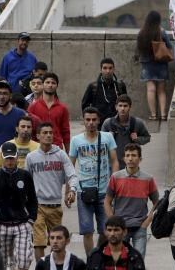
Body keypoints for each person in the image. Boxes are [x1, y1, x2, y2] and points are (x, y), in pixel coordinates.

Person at [70, 107, 119, 256]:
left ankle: (99, 255)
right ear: (83, 121)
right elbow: (70, 166)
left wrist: (114, 182)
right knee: (87, 231)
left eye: (93, 120)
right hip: (83, 190)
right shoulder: (76, 140)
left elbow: (114, 161)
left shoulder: (107, 137)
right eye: (88, 120)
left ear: (98, 121)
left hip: (104, 191)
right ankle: (92, 260)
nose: (91, 123)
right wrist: (70, 190)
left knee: (106, 230)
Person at [0, 142, 38, 270]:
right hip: (1, 224)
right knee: (1, 262)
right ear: (2, 157)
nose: (10, 161)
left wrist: (31, 219)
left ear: (17, 157)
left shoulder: (25, 175)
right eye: (7, 158)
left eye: (12, 157)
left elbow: (33, 199)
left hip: (22, 223)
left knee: (24, 261)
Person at [26, 123, 78, 260]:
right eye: (44, 133)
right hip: (38, 206)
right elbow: (27, 181)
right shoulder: (31, 157)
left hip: (55, 205)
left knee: (57, 243)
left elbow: (72, 174)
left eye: (50, 132)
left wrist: (72, 190)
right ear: (37, 136)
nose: (48, 135)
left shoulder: (61, 155)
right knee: (39, 243)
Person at [104, 143, 158, 259]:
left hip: (140, 227)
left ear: (140, 159)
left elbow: (157, 203)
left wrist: (147, 222)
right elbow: (107, 201)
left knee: (138, 261)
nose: (130, 158)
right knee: (120, 260)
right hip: (121, 228)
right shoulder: (115, 177)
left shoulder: (148, 179)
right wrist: (113, 221)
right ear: (123, 158)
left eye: (134, 155)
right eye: (127, 155)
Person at [135, 10, 171, 120]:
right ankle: (164, 115)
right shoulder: (161, 32)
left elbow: (138, 48)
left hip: (147, 64)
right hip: (161, 63)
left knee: (150, 89)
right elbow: (169, 46)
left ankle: (154, 115)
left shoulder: (142, 32)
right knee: (161, 90)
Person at [101, 95, 151, 165]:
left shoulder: (137, 122)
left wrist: (137, 139)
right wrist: (108, 138)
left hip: (131, 163)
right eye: (120, 105)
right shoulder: (108, 123)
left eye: (125, 106)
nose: (122, 108)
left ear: (130, 107)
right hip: (113, 162)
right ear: (116, 107)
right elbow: (100, 143)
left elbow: (147, 138)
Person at [28, 72, 71, 151]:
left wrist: (68, 153)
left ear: (57, 86)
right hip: (37, 148)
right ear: (43, 84)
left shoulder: (63, 108)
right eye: (47, 82)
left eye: (53, 83)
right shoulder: (33, 107)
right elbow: (29, 129)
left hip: (57, 148)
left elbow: (66, 132)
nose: (50, 85)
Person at [81, 58, 127, 126]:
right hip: (99, 125)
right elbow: (85, 105)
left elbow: (126, 103)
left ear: (114, 69)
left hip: (117, 124)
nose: (108, 71)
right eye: (105, 68)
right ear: (101, 69)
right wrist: (91, 121)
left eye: (110, 68)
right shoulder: (93, 86)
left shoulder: (120, 86)